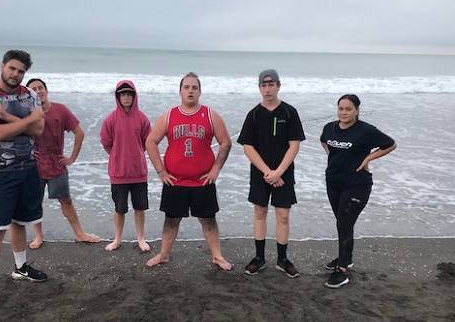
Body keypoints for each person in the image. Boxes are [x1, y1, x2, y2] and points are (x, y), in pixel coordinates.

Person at [0, 50, 47, 313]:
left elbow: (38, 131)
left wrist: (9, 117)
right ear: (2, 66)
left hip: (28, 169)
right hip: (0, 172)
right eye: (12, 68)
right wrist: (26, 120)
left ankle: (21, 267)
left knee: (20, 222)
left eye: (21, 71)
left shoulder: (30, 95)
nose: (16, 74)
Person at [145, 72, 233, 271]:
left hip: (203, 181)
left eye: (194, 87)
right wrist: (161, 172)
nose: (190, 91)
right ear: (180, 91)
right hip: (175, 181)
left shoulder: (211, 115)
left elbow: (226, 142)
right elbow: (150, 141)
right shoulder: (169, 116)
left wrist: (216, 169)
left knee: (209, 220)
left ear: (200, 91)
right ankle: (164, 254)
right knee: (171, 220)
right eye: (187, 87)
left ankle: (217, 256)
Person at [320, 94, 396, 288]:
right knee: (343, 222)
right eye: (341, 109)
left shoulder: (365, 131)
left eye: (348, 109)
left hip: (357, 185)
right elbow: (324, 142)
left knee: (344, 223)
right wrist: (336, 158)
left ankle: (343, 270)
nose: (344, 113)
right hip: (333, 182)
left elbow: (390, 144)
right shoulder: (329, 127)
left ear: (356, 111)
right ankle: (346, 258)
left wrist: (367, 159)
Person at [237, 69, 305, 278]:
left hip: (284, 172)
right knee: (260, 212)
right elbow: (247, 147)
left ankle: (282, 259)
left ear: (278, 85)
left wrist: (279, 172)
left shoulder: (289, 112)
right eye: (263, 85)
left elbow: (294, 145)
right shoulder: (254, 114)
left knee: (283, 215)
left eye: (271, 84)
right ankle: (259, 258)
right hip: (260, 173)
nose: (267, 89)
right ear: (259, 88)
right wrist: (268, 172)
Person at [25, 78, 100, 249]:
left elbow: (79, 133)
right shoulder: (26, 113)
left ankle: (80, 233)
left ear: (46, 90)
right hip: (33, 165)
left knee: (66, 200)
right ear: (29, 94)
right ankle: (38, 236)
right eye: (34, 89)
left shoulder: (60, 110)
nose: (38, 91)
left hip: (56, 163)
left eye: (41, 87)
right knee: (35, 202)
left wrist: (72, 157)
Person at [100, 80, 151, 252]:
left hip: (139, 172)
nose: (126, 97)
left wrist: (135, 154)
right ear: (118, 97)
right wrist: (117, 155)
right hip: (118, 173)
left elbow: (147, 141)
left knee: (140, 208)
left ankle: (141, 238)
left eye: (129, 94)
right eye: (123, 94)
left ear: (134, 96)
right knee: (119, 209)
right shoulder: (111, 119)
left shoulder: (142, 118)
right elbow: (106, 141)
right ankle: (117, 239)